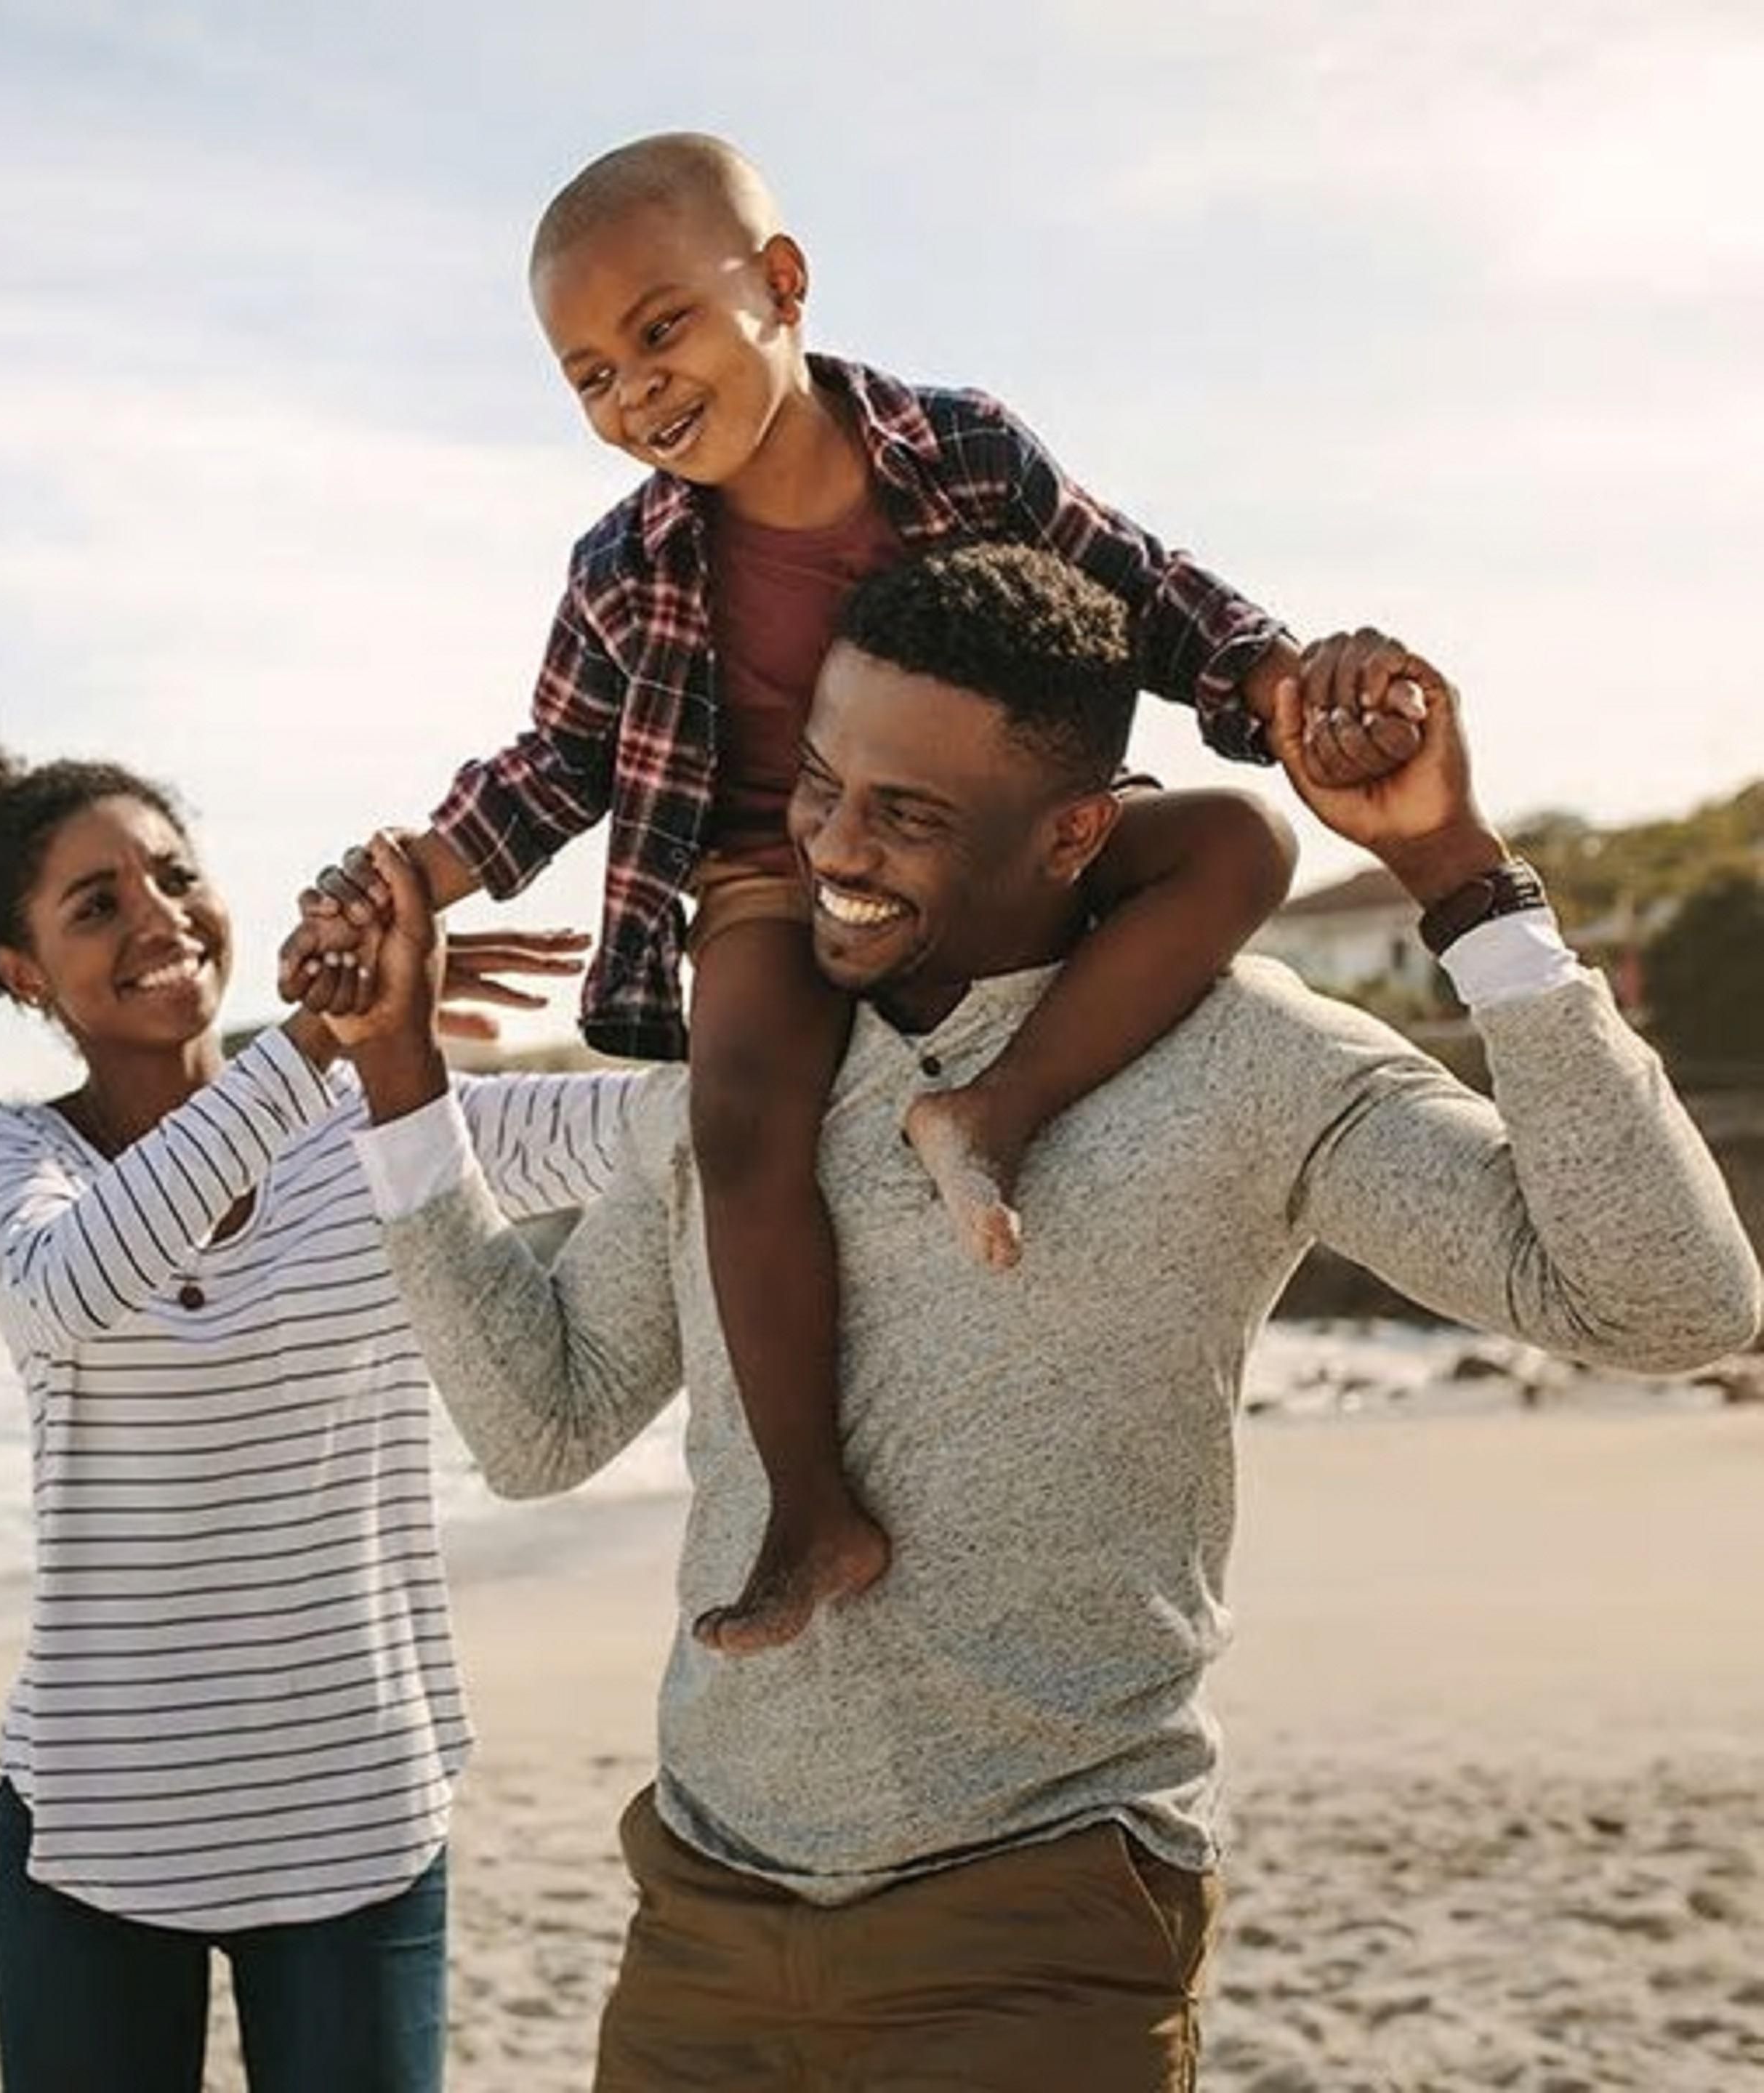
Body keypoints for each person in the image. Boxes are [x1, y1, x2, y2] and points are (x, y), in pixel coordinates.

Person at [315, 544, 1761, 2091]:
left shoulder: (1243, 1064)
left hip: (1042, 1927)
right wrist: (400, 1075)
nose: (833, 850)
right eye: (818, 785)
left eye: (909, 815)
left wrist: (1457, 874)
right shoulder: (738, 1084)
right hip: (705, 1915)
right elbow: (538, 1428)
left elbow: (1669, 1303)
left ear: (1077, 832)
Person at [301, 131, 1427, 1657]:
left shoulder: (959, 450)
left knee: (1242, 847)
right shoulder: (622, 566)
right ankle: (811, 1508)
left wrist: (1282, 681)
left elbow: (1144, 589)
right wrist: (410, 875)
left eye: (659, 333)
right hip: (773, 871)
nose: (635, 395)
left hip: (981, 851)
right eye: (588, 379)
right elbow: (556, 763)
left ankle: (994, 1111)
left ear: (779, 284)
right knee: (744, 1103)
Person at [0, 727, 635, 2093]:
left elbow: (668, 1129)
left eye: (173, 874)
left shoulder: (386, 1121)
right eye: (97, 907)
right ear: (24, 975)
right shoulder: (4, 1152)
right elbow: (73, 1285)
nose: (158, 917)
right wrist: (320, 1044)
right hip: (99, 1826)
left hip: (361, 1816)